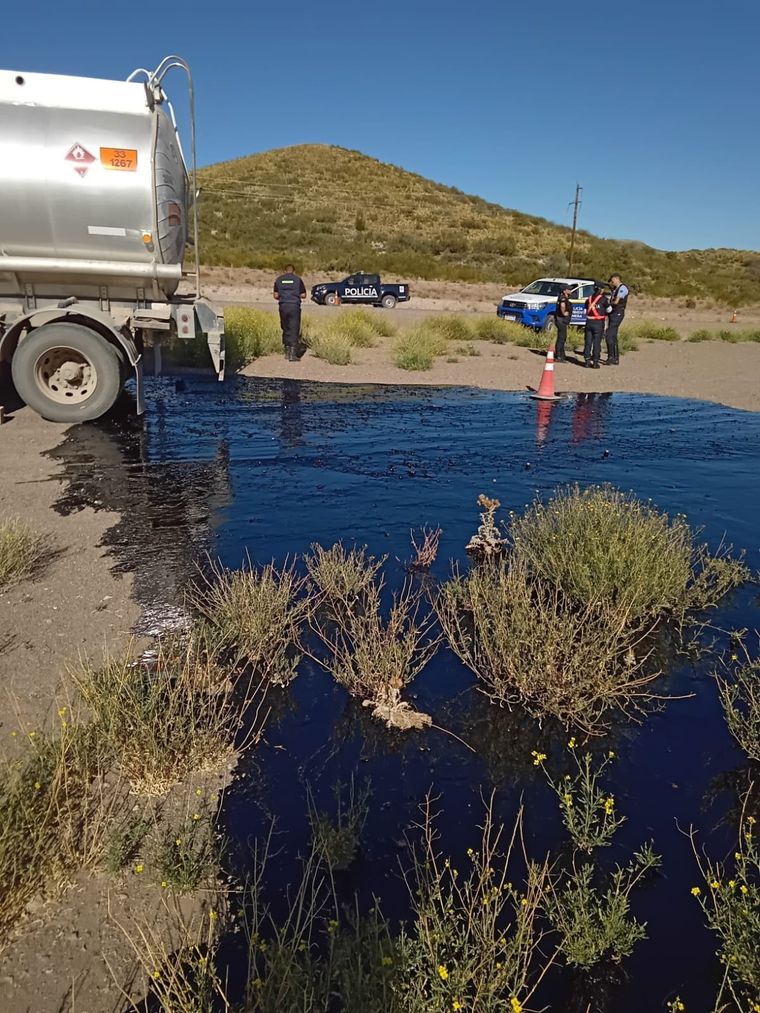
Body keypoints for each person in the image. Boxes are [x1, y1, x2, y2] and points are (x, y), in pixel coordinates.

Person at [273, 264, 306, 361]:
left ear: (284, 271)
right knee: (294, 328)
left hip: (283, 306)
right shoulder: (298, 280)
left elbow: (275, 295)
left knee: (285, 327)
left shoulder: (279, 280)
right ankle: (292, 354)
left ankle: (287, 352)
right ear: (293, 271)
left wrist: (284, 296)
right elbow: (303, 295)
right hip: (294, 306)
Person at [583, 281, 610, 368]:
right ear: (601, 289)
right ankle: (595, 362)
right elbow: (609, 310)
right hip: (598, 323)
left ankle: (587, 361)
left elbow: (584, 312)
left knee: (588, 342)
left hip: (588, 322)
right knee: (597, 343)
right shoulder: (604, 299)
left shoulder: (589, 299)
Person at [604, 273, 629, 365]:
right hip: (613, 313)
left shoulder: (622, 288)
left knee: (609, 335)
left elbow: (616, 301)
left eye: (612, 280)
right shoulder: (615, 289)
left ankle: (611, 356)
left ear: (616, 279)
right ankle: (615, 358)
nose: (611, 282)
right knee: (613, 336)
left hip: (617, 312)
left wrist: (607, 304)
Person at [554, 284, 574, 361]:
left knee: (562, 338)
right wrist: (564, 313)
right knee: (561, 338)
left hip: (561, 320)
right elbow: (562, 306)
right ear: (564, 291)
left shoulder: (564, 297)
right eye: (569, 289)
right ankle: (558, 355)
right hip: (561, 320)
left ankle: (562, 355)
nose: (570, 290)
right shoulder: (562, 298)